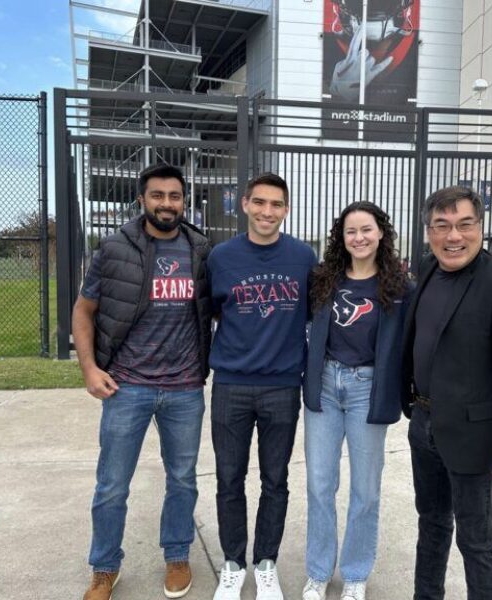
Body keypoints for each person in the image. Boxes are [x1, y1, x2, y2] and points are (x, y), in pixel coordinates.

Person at [72, 163, 212, 600]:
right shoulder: (114, 248)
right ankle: (104, 567)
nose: (166, 204)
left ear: (184, 201)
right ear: (142, 199)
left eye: (174, 196)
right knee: (112, 483)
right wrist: (90, 370)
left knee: (183, 478)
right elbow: (83, 311)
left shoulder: (202, 250)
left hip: (185, 386)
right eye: (157, 195)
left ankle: (176, 555)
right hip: (127, 385)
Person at [402, 186, 492, 600]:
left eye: (465, 225)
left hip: (473, 435)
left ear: (481, 228)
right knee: (431, 525)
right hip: (424, 424)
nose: (453, 236)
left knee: (476, 539)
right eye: (442, 226)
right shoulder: (426, 269)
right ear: (428, 231)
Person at [207, 173, 317, 600]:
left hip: (283, 387)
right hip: (231, 384)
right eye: (260, 203)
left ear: (286, 210)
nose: (268, 212)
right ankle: (233, 564)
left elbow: (313, 313)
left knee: (276, 480)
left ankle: (266, 562)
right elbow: (215, 310)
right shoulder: (221, 257)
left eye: (277, 204)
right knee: (229, 479)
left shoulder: (303, 257)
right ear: (244, 204)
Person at [301, 202, 411, 600]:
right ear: (340, 237)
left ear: (381, 233)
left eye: (367, 229)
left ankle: (355, 574)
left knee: (365, 489)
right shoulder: (323, 280)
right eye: (351, 231)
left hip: (368, 388)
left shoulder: (399, 287)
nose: (359, 238)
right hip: (326, 385)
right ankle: (317, 570)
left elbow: (411, 341)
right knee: (319, 484)